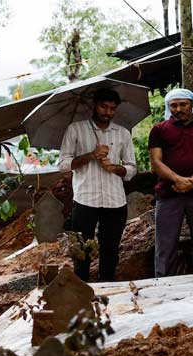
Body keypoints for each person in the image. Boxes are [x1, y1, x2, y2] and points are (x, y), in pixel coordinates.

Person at [58, 88, 137, 282]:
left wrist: (115, 168)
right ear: (95, 105)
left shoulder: (123, 133)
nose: (107, 112)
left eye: (112, 108)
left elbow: (131, 168)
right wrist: (91, 156)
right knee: (82, 249)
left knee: (110, 249)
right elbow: (63, 165)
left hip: (115, 200)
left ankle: (107, 287)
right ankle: (81, 288)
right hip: (85, 198)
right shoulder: (75, 129)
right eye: (103, 106)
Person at [148, 88, 193, 277]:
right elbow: (156, 162)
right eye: (173, 105)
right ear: (168, 107)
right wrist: (178, 180)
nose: (178, 109)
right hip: (168, 193)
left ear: (192, 105)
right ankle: (164, 283)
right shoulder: (159, 130)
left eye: (183, 104)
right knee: (166, 243)